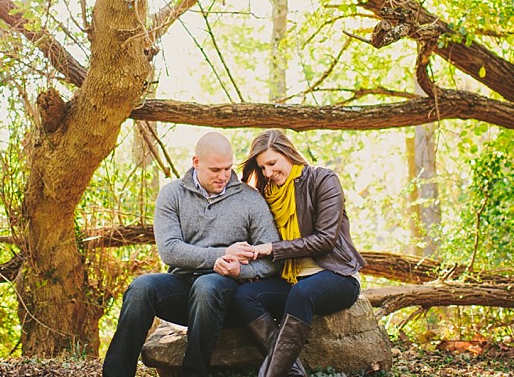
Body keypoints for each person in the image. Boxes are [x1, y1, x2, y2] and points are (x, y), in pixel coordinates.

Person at [102, 131, 281, 377]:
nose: (223, 176)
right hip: (183, 286)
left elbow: (272, 258)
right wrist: (220, 254)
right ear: (196, 162)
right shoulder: (172, 194)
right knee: (141, 287)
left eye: (227, 169)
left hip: (226, 292)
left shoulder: (250, 199)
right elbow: (170, 250)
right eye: (215, 170)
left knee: (207, 285)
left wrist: (241, 270)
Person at [231, 129, 366, 377]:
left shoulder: (323, 180)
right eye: (262, 168)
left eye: (272, 163)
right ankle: (293, 374)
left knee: (303, 293)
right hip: (291, 280)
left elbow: (325, 240)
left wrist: (272, 249)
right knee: (244, 295)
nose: (268, 173)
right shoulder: (267, 195)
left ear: (288, 153)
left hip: (336, 275)